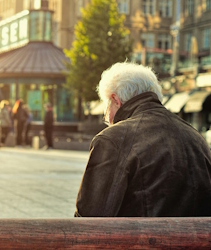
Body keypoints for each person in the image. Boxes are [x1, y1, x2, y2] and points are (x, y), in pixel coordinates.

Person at [74, 61, 211, 217]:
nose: (108, 119)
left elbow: (89, 218)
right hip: (196, 241)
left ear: (115, 100)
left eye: (106, 110)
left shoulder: (112, 140)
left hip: (139, 240)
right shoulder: (196, 138)